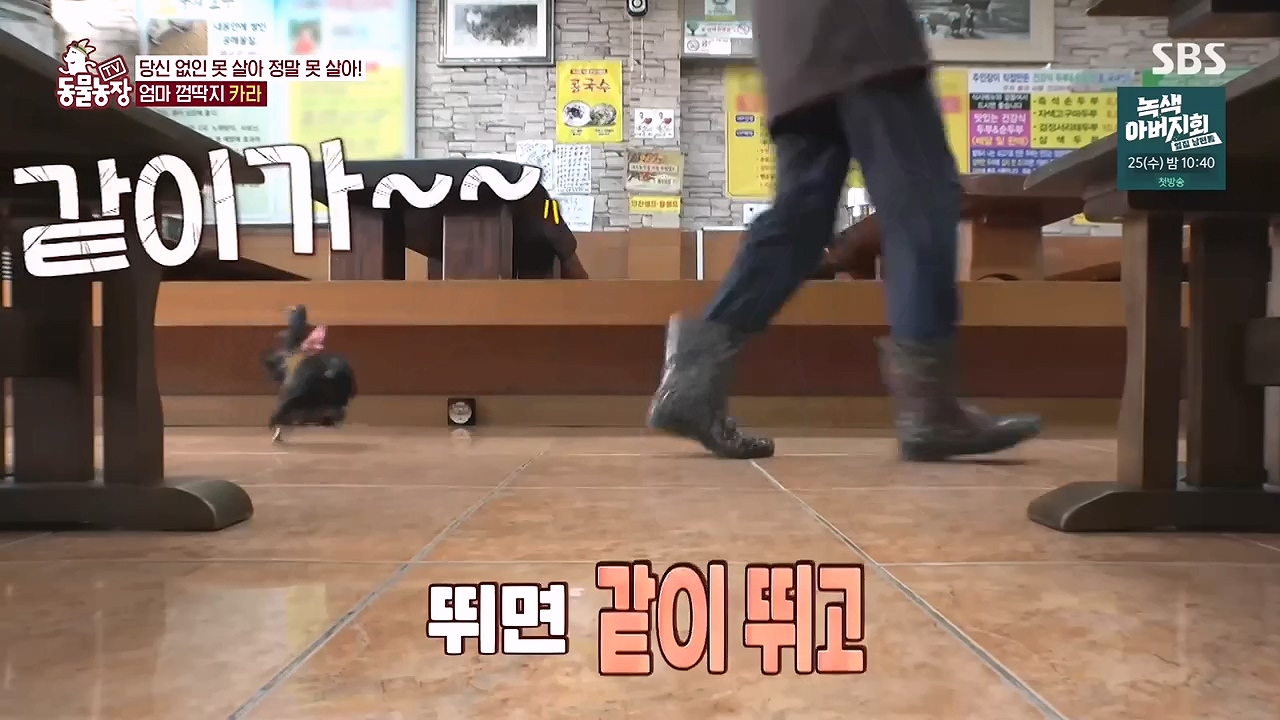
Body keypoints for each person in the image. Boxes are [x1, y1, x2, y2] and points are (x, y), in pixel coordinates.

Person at [647, 0, 1040, 461]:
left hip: (791, 49)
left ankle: (691, 383)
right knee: (921, 201)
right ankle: (929, 409)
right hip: (863, 33)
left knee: (800, 221)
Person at [264, 305, 356, 442]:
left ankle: (283, 423)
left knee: (292, 384)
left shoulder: (294, 361)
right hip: (301, 368)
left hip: (301, 371)